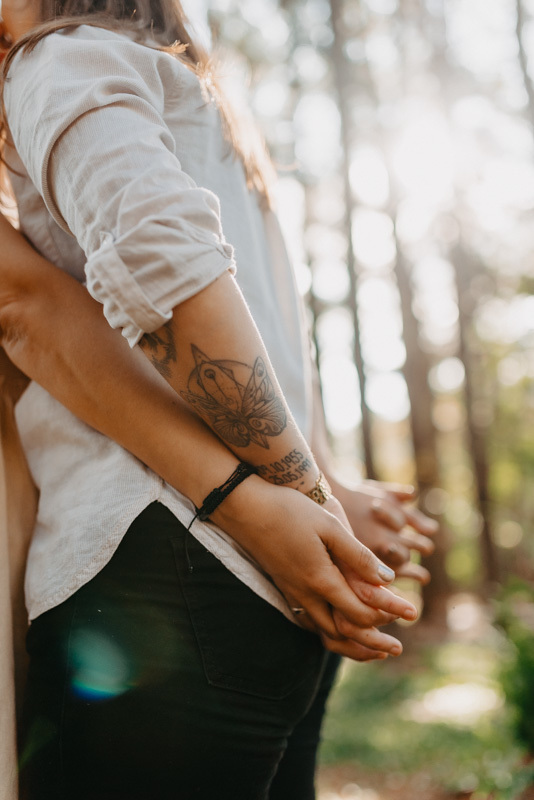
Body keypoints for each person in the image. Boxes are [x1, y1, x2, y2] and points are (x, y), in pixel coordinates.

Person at [0, 3, 437, 798]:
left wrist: (301, 505)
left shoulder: (61, 61)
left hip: (162, 576)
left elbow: (151, 270)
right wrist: (320, 499)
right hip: (261, 585)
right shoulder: (196, 97)